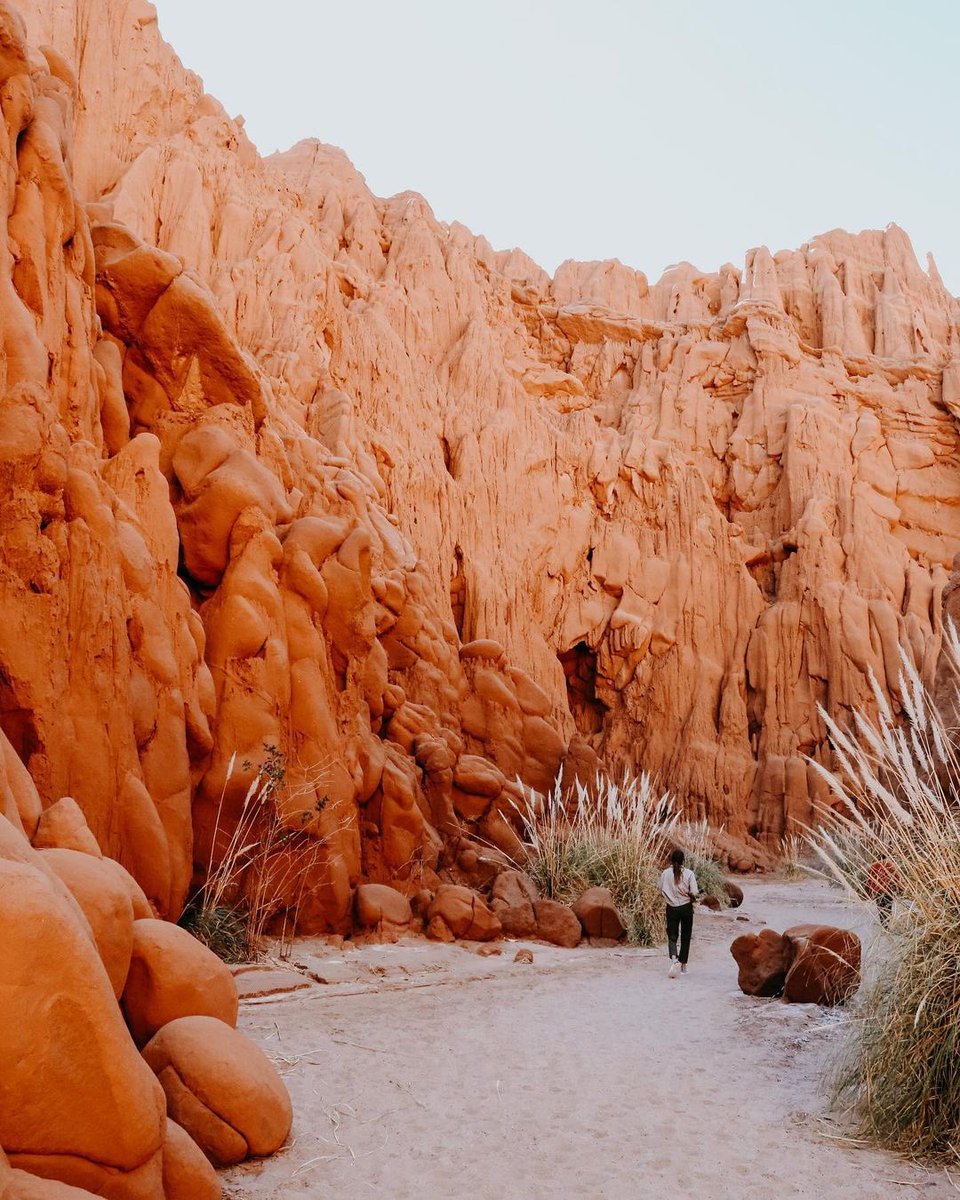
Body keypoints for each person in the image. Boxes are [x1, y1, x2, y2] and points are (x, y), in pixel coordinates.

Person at [660, 848, 699, 978]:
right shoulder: (689, 874)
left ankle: (673, 959)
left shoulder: (665, 874)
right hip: (686, 908)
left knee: (672, 934)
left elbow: (660, 890)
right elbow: (694, 892)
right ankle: (683, 965)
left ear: (671, 860)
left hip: (671, 907)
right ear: (683, 860)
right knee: (686, 936)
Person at [865, 858, 901, 926]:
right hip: (888, 890)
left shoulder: (873, 866)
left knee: (880, 908)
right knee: (888, 907)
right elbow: (896, 877)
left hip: (878, 891)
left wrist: (869, 892)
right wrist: (898, 889)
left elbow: (869, 880)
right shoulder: (890, 865)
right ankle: (888, 923)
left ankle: (883, 924)